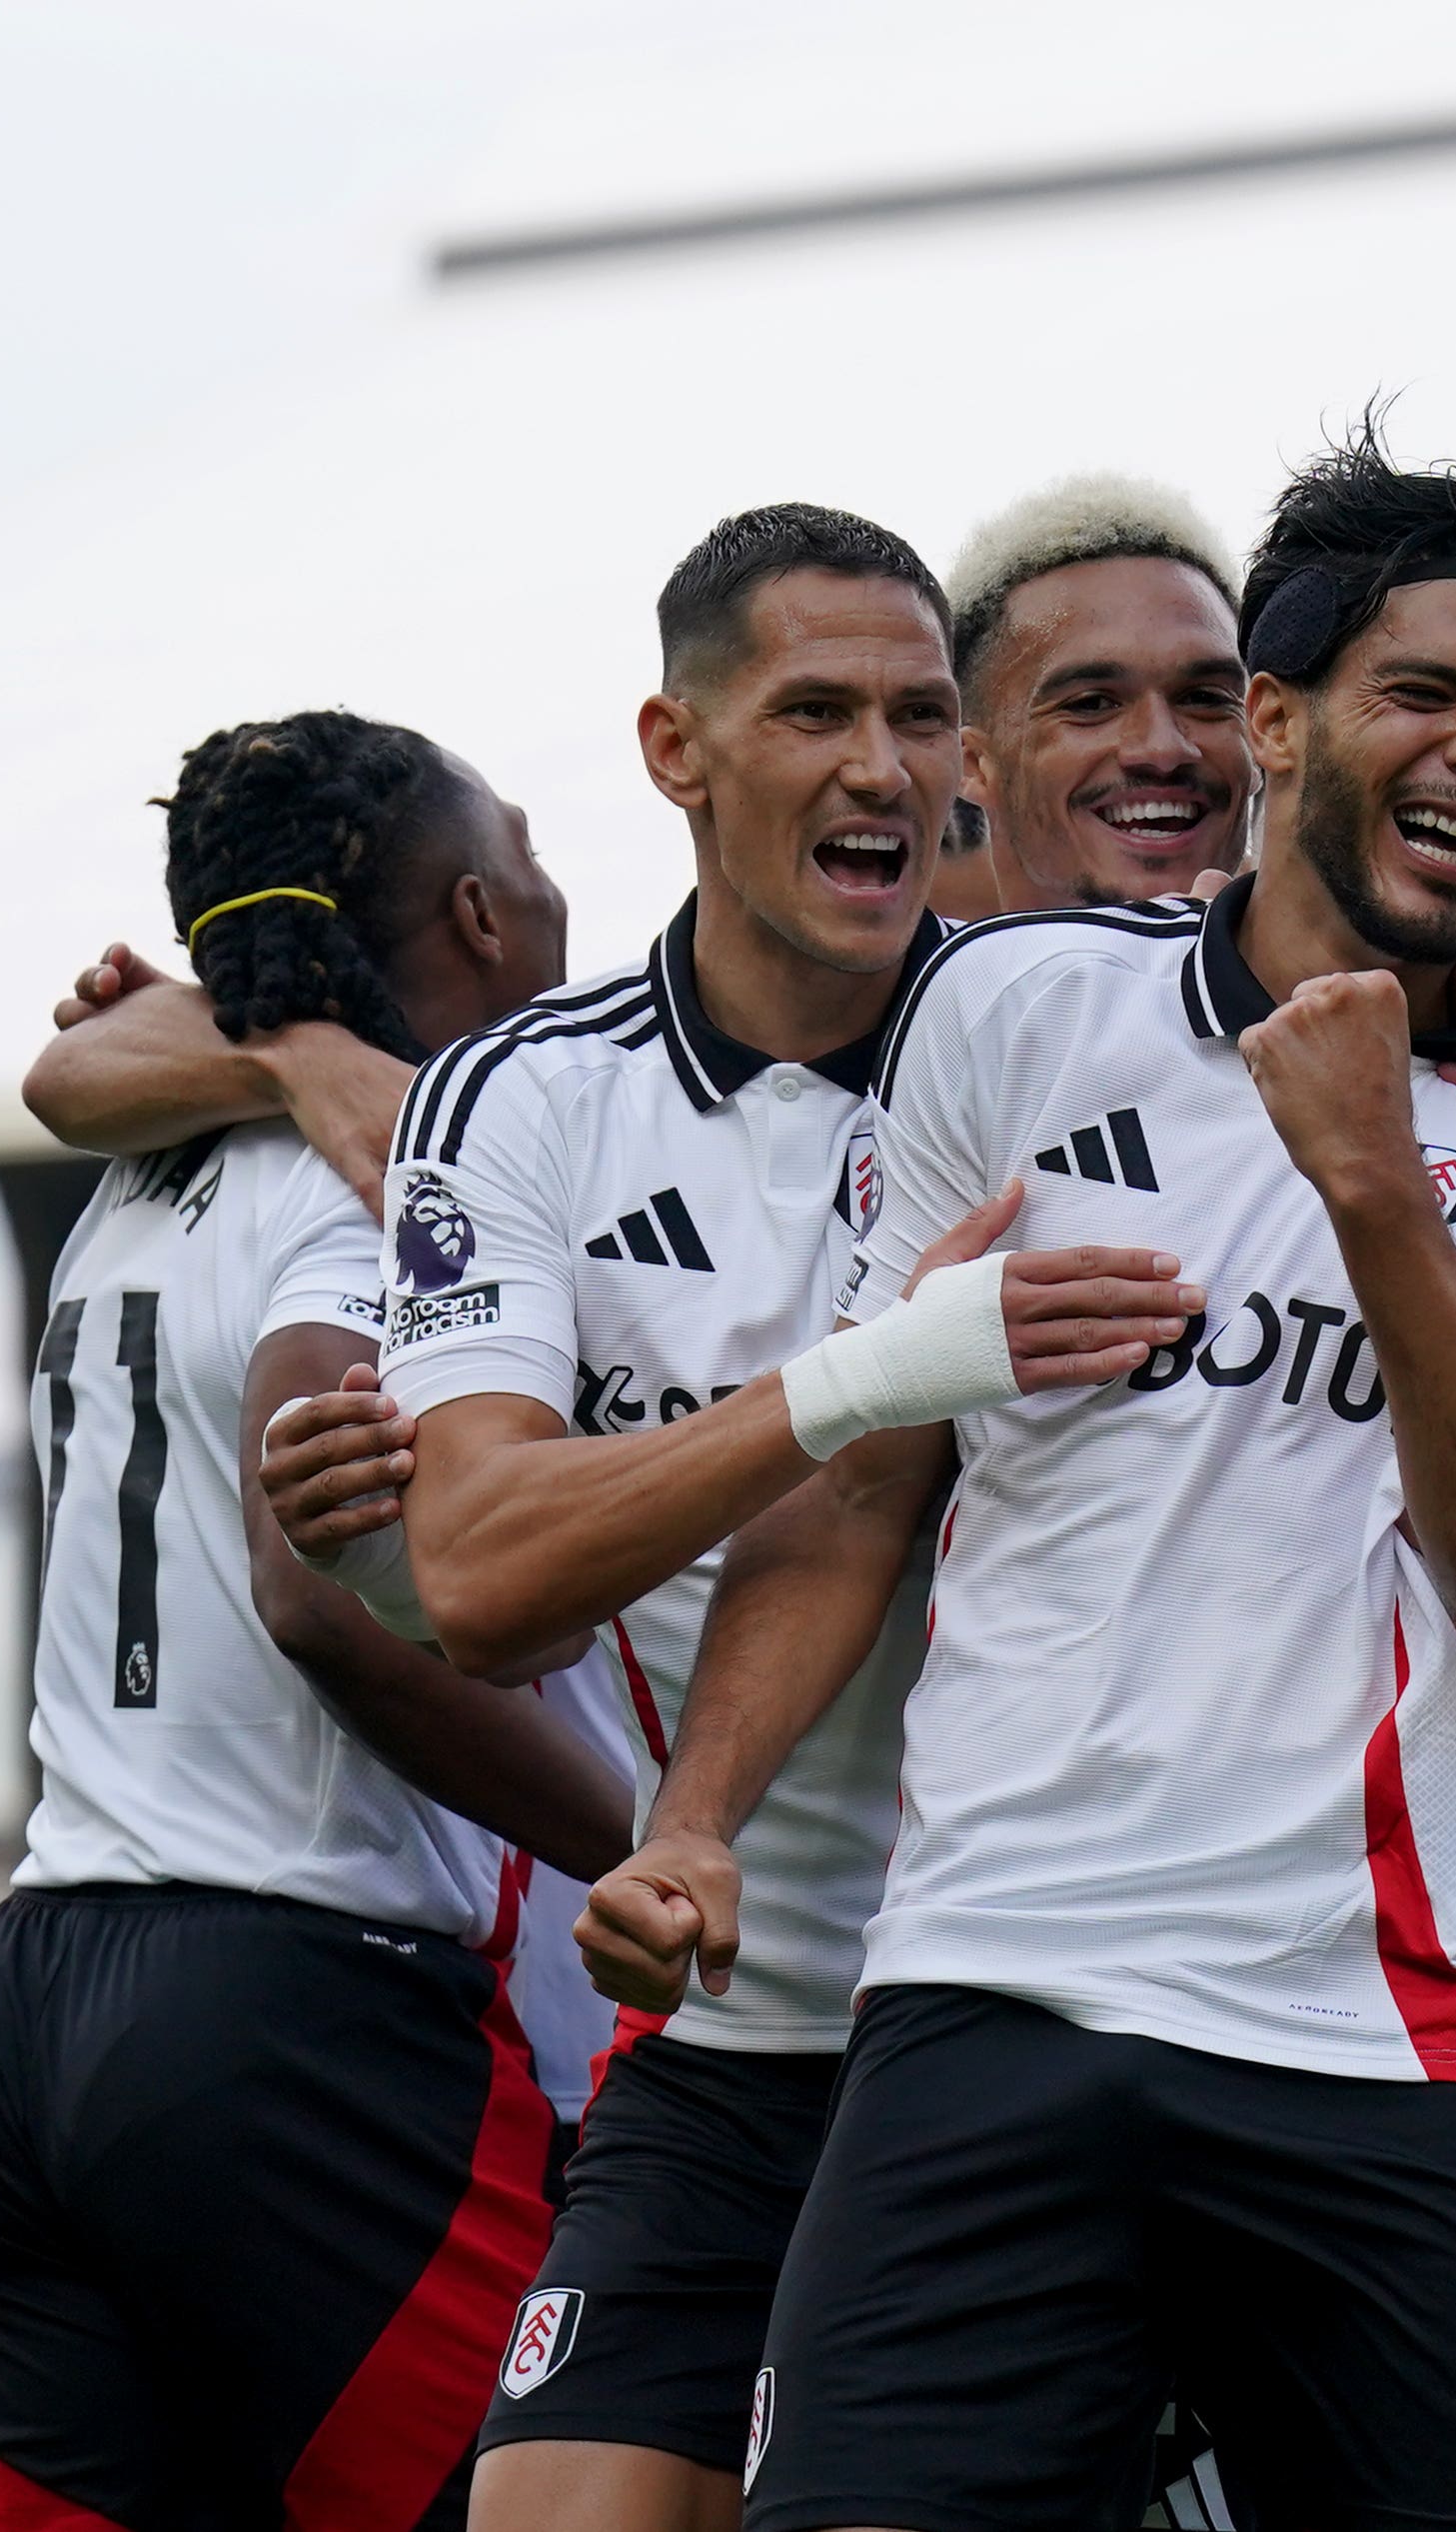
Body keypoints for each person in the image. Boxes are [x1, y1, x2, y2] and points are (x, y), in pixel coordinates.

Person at [580, 435, 1456, 2531]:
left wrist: (1377, 1187)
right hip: (997, 1998)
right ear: (1279, 723)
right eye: (1427, 697)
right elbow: (859, 1489)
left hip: (1398, 2045)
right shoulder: (1014, 1012)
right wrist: (692, 1820)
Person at [224, 505, 1199, 2532]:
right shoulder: (520, 1101)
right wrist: (866, 1368)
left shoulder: (1078, 1041)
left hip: (1060, 2017)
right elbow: (487, 1582)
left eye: (921, 716)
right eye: (814, 711)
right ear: (675, 750)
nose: (881, 769)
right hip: (733, 2008)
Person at [0, 710, 638, 2532]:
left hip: (27, 2004)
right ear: (479, 915)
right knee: (585, 2492)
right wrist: (663, 1851)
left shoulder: (146, 1166)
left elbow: (72, 1070)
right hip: (289, 2012)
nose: (565, 889)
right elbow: (317, 1594)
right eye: (535, 854)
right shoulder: (378, 1198)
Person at [927, 476, 1254, 921]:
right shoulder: (932, 988)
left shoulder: (1359, 982)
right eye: (1092, 705)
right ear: (973, 763)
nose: (1162, 749)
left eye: (1204, 698)